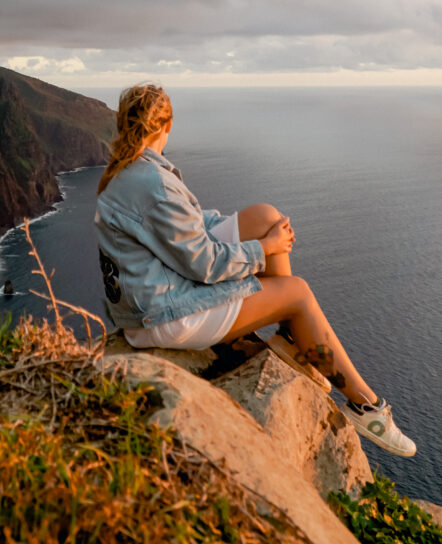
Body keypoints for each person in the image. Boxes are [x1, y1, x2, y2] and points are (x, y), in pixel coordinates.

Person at [95, 83, 416, 458]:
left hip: (151, 297)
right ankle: (365, 405)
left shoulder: (128, 170)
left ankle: (293, 339)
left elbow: (186, 227)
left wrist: (256, 231)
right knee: (296, 292)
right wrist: (266, 249)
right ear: (165, 126)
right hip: (163, 317)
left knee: (267, 216)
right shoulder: (154, 183)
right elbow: (203, 264)